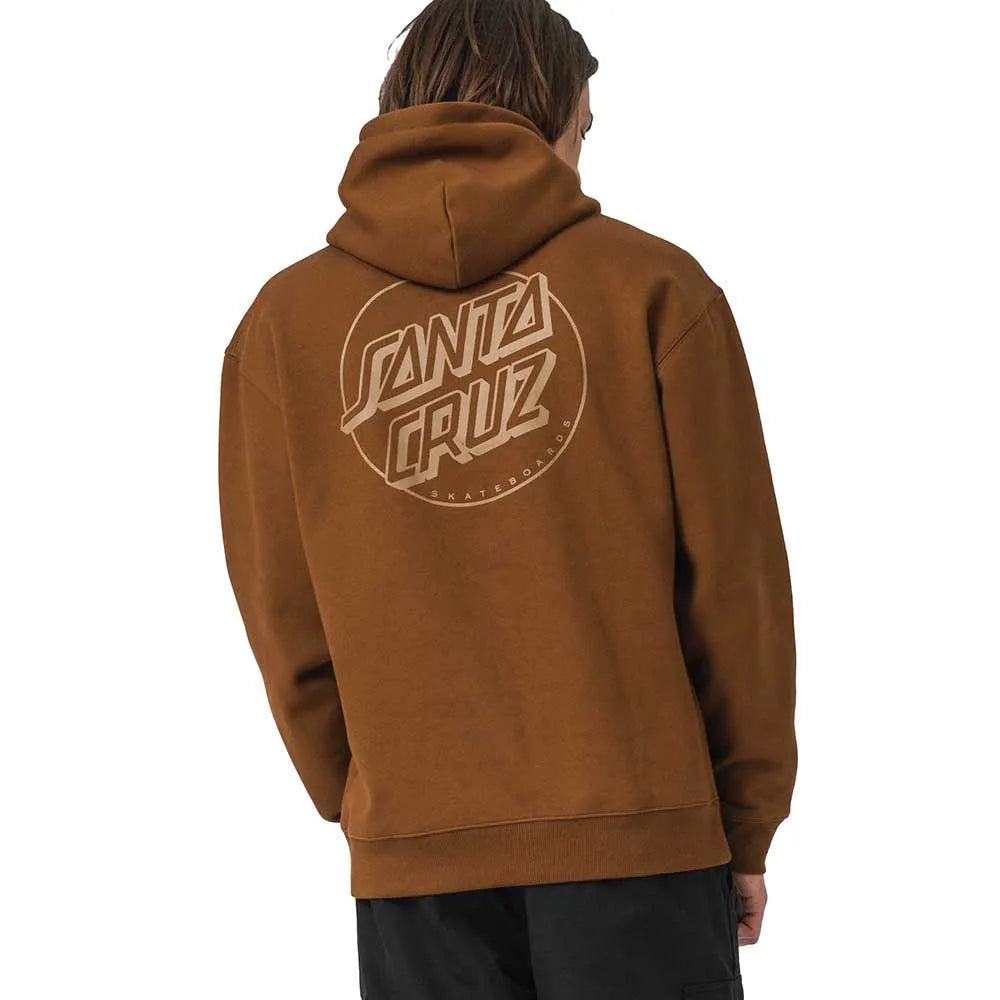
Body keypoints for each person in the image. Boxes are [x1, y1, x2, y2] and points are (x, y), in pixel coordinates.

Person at [217, 1, 796, 996]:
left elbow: (282, 609)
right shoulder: (653, 287)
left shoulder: (283, 325)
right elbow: (735, 590)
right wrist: (746, 820)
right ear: (551, 111)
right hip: (640, 848)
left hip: (415, 858)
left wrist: (377, 799)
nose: (579, 158)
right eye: (584, 130)